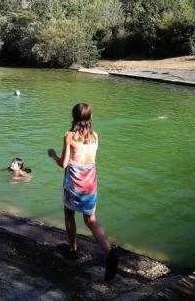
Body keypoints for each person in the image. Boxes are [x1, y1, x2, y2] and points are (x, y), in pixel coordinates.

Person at [47, 102, 118, 281]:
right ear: (90, 117)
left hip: (74, 186)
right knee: (91, 220)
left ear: (74, 117)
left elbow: (63, 163)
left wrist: (53, 154)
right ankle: (110, 253)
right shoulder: (95, 136)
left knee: (69, 214)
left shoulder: (69, 136)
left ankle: (73, 251)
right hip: (90, 185)